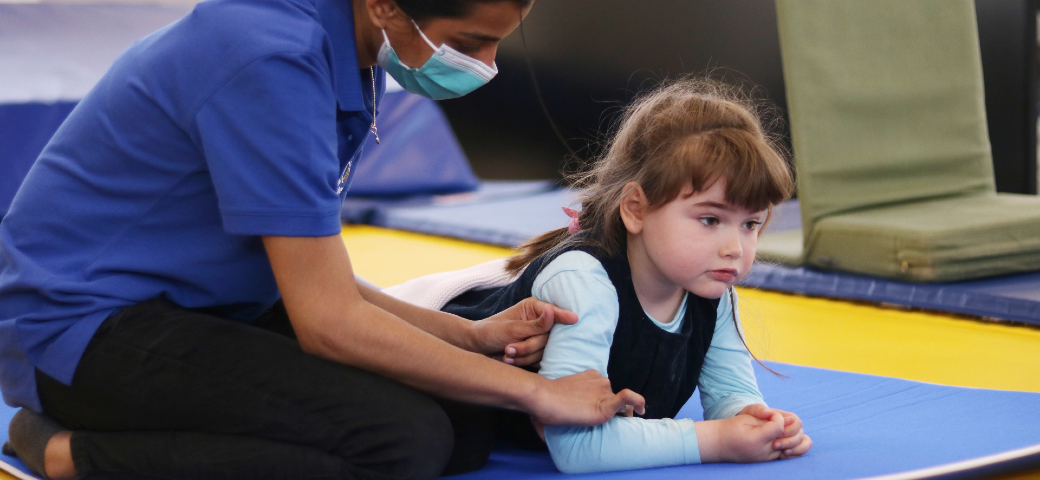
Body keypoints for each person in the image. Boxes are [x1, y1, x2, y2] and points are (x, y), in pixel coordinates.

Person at [0, 0, 645, 478]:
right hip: (73, 331)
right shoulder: (272, 56)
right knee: (403, 442)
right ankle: (68, 454)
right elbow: (328, 321)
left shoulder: (350, 46)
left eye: (496, 47)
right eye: (470, 42)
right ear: (387, 6)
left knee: (466, 423)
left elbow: (319, 280)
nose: (485, 67)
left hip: (198, 306)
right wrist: (536, 391)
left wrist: (471, 338)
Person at [429, 77, 813, 473]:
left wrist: (757, 420)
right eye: (710, 219)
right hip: (431, 366)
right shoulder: (584, 281)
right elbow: (577, 447)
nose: (735, 248)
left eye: (750, 224)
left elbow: (729, 394)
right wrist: (715, 440)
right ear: (635, 209)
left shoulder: (709, 288)